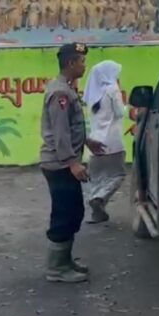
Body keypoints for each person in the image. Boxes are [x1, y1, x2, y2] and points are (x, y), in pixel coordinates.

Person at [40, 43, 104, 282]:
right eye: (81, 61)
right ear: (70, 63)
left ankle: (65, 260)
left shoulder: (66, 89)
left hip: (63, 163)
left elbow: (70, 127)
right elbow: (60, 133)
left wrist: (87, 141)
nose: (84, 66)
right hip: (59, 165)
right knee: (65, 214)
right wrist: (72, 163)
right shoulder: (60, 94)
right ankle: (56, 268)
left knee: (74, 211)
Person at [83, 60, 126, 223]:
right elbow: (120, 112)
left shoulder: (93, 92)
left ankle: (97, 211)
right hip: (113, 141)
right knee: (118, 174)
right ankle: (100, 198)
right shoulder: (112, 89)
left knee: (96, 179)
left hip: (94, 141)